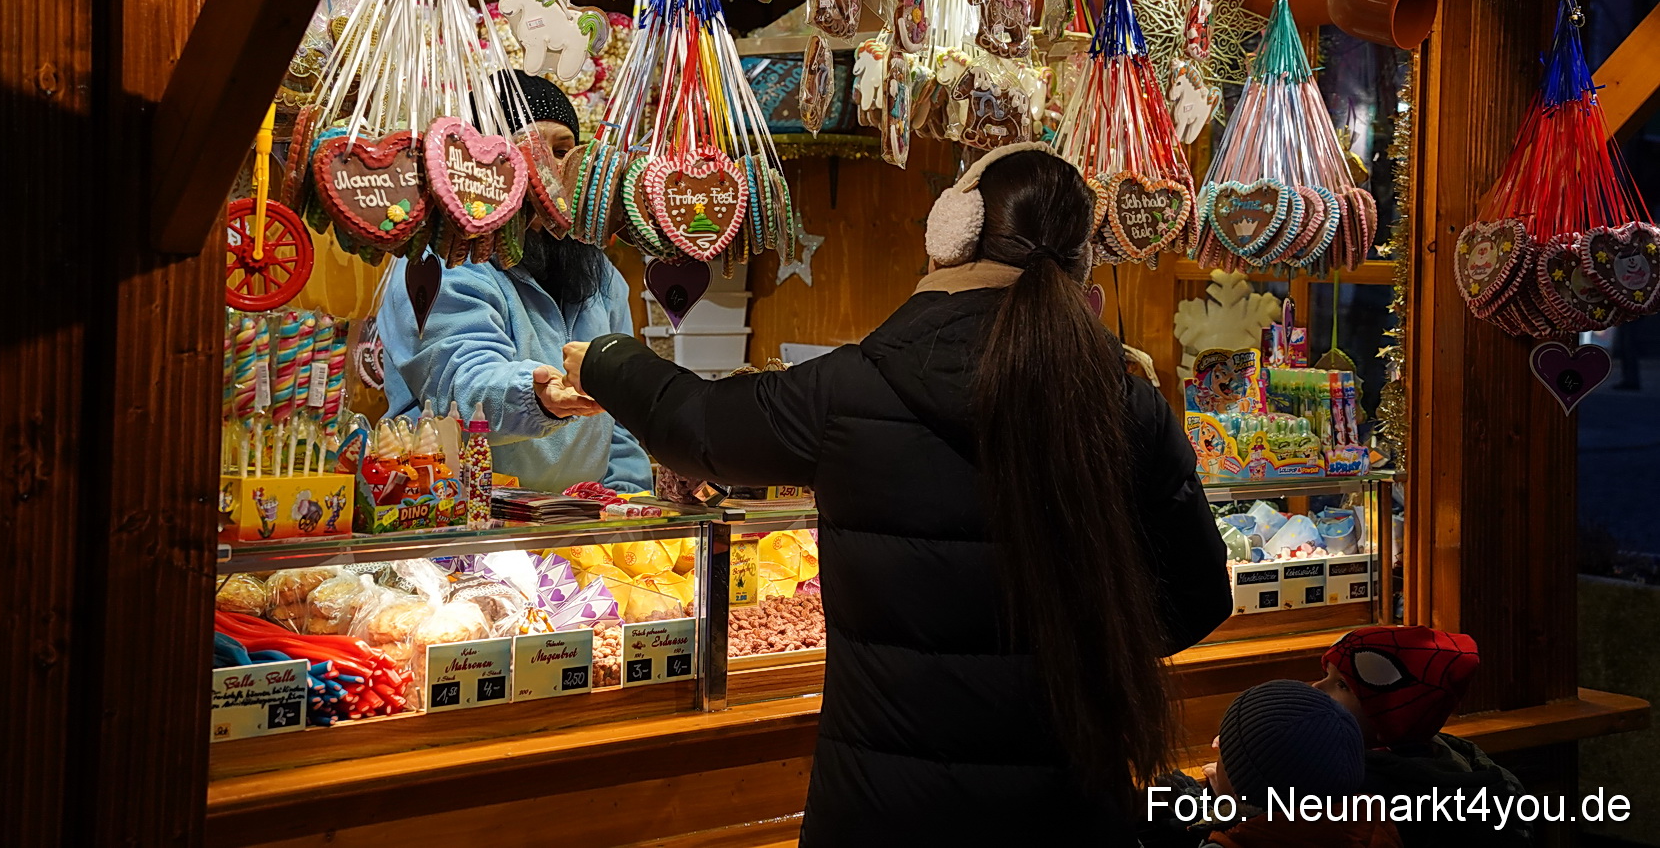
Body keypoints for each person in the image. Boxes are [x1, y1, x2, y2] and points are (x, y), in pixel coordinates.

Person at [564, 143, 1232, 843]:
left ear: (951, 236)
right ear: (1081, 264)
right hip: (1062, 810)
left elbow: (694, 426)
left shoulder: (848, 388)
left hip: (878, 814)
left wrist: (606, 361)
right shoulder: (1128, 405)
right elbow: (1196, 598)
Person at [376, 73, 650, 493]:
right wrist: (537, 395)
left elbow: (621, 417)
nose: (550, 171)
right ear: (482, 169)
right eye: (525, 153)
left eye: (562, 152)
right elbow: (457, 383)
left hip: (576, 521)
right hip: (458, 514)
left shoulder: (600, 275)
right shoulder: (439, 263)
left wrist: (629, 504)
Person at [1316, 627, 1532, 847]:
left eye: (1342, 685)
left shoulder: (1374, 797)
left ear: (1392, 716)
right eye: (1326, 675)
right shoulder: (1453, 760)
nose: (1317, 687)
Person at [1201, 680, 1400, 848]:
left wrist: (1220, 812)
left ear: (1242, 790)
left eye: (1224, 754)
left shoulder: (1236, 840)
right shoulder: (1374, 822)